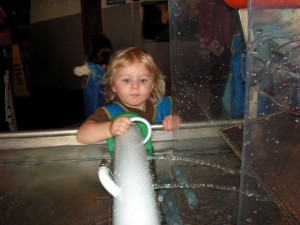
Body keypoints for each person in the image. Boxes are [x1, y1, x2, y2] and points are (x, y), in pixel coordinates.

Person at [76, 47, 181, 144]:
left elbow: (192, 124)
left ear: (152, 85)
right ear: (114, 86)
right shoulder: (109, 114)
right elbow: (81, 135)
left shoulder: (165, 106)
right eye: (126, 80)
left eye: (143, 80)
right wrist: (109, 128)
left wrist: (176, 120)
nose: (135, 86)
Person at [74, 34, 113, 118]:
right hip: (92, 101)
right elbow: (76, 71)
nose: (103, 66)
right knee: (93, 116)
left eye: (106, 62)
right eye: (101, 61)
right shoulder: (89, 68)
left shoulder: (107, 68)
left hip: (104, 100)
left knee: (104, 113)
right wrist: (82, 69)